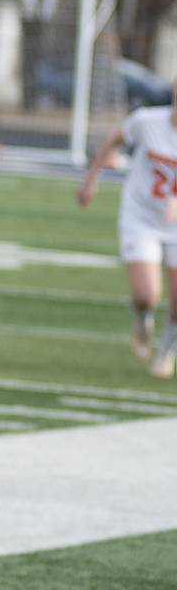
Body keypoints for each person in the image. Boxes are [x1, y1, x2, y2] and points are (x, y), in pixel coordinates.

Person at [77, 86, 177, 378]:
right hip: (141, 216)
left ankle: (166, 353)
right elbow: (113, 141)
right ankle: (141, 318)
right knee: (147, 294)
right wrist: (90, 181)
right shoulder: (147, 122)